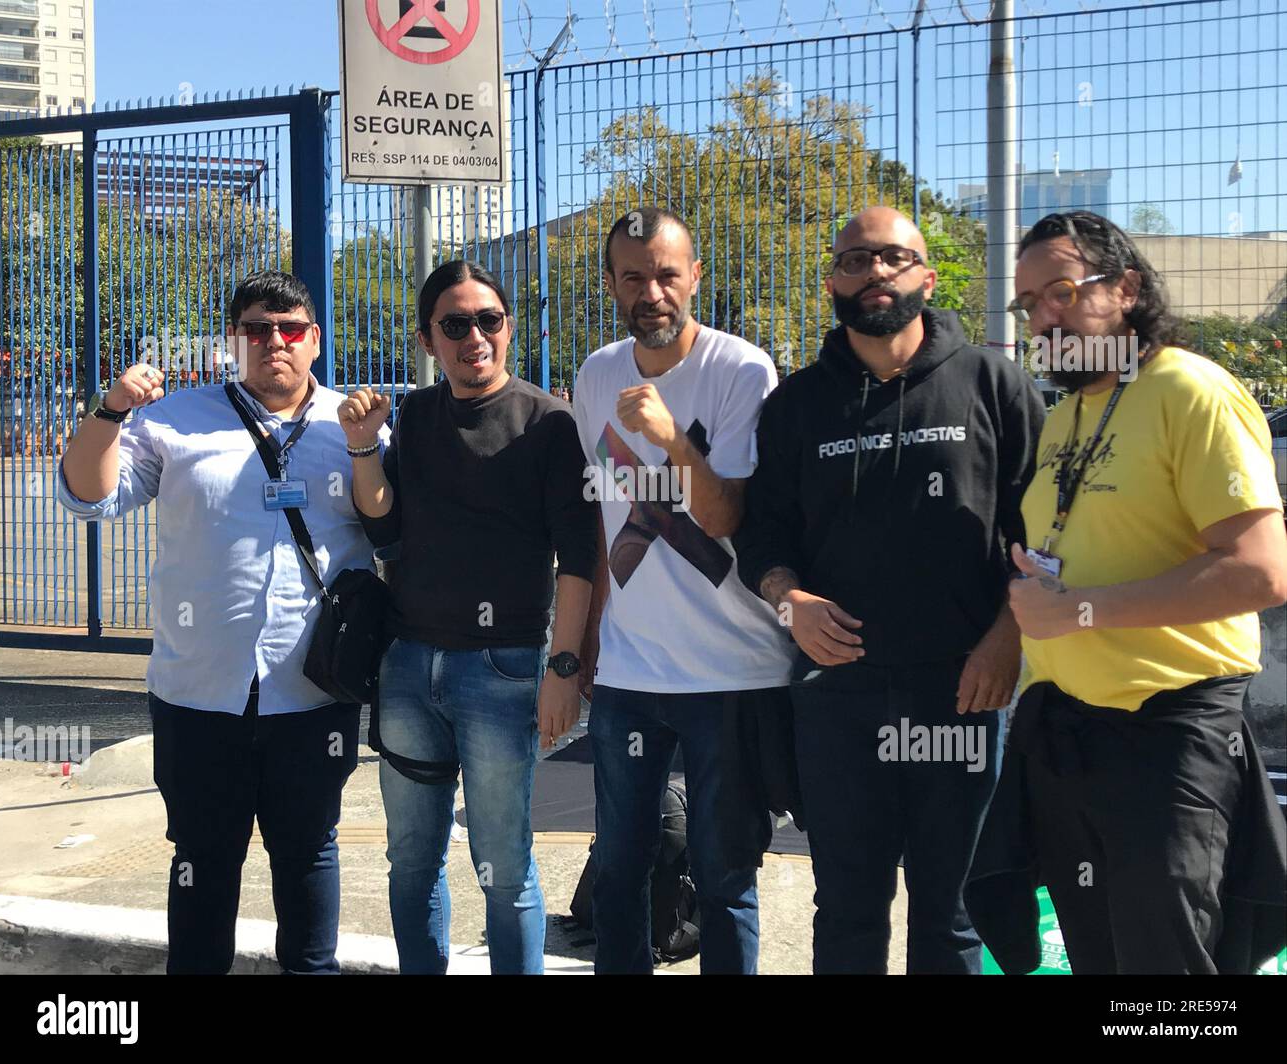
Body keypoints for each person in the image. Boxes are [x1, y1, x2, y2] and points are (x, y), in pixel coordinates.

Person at [732, 206, 1046, 974]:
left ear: (928, 276)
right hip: (838, 696)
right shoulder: (796, 406)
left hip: (965, 689)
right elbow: (761, 536)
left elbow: (1046, 535)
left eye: (892, 257)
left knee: (956, 911)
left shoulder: (995, 387)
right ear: (832, 281)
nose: (874, 272)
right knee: (846, 908)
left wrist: (1008, 639)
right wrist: (790, 601)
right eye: (853, 259)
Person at [57, 270, 385, 974]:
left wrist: (368, 447)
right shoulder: (173, 420)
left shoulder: (354, 425)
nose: (275, 342)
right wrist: (110, 408)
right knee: (202, 858)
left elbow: (392, 526)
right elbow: (89, 497)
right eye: (257, 330)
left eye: (290, 329)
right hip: (198, 694)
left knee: (309, 852)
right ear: (232, 341)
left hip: (314, 692)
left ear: (314, 340)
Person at [993, 210, 1287, 974]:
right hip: (1068, 731)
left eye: (1060, 290)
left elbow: (1261, 569)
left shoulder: (1193, 392)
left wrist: (1081, 610)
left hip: (1170, 732)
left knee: (1166, 969)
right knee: (1098, 958)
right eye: (1029, 304)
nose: (1043, 317)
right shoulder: (1068, 415)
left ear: (1125, 288)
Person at [342, 259, 597, 975]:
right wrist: (365, 447)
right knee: (411, 860)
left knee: (504, 865)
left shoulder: (550, 424)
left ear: (508, 327)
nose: (474, 336)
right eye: (455, 324)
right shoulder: (416, 415)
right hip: (408, 664)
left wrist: (565, 668)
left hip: (504, 669)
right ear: (429, 339)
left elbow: (580, 560)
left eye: (488, 319)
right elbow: (384, 532)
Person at [573, 206, 795, 975]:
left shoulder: (742, 371)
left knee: (726, 878)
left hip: (729, 673)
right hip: (631, 673)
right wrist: (588, 647)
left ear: (695, 275)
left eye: (668, 273)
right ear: (610, 284)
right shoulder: (597, 374)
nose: (653, 292)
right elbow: (603, 526)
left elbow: (729, 512)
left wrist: (669, 438)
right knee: (618, 873)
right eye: (634, 276)